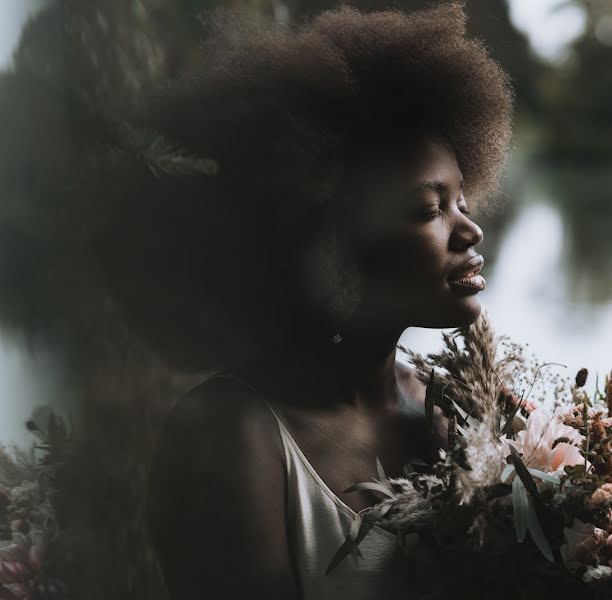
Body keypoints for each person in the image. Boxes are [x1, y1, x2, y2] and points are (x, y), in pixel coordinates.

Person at [134, 4, 514, 599]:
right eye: (428, 209)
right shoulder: (230, 439)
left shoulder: (455, 412)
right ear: (332, 242)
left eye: (462, 200)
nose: (470, 232)